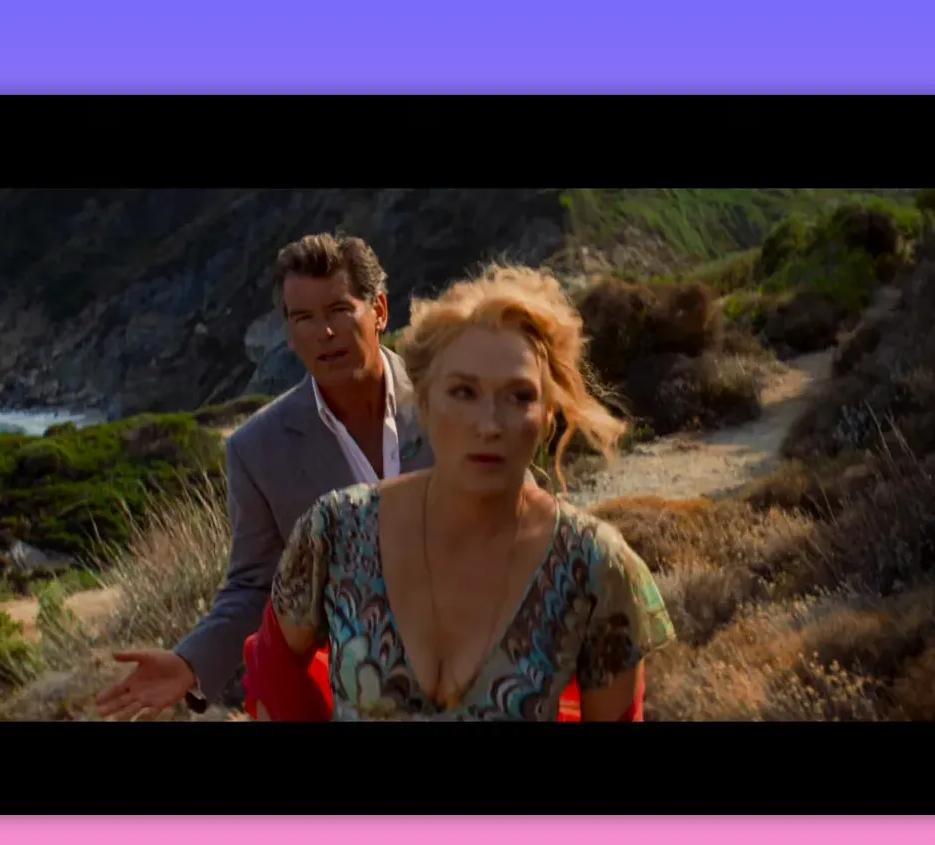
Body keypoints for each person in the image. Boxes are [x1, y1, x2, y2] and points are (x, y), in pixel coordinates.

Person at [242, 263, 677, 721]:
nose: (488, 425)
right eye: (464, 392)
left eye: (520, 397)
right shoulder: (335, 532)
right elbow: (272, 668)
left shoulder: (596, 566)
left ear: (549, 415)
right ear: (425, 403)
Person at [95, 232, 435, 720]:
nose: (325, 332)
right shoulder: (258, 449)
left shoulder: (450, 401)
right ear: (289, 333)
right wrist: (192, 660)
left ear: (378, 310)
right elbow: (257, 586)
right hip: (358, 697)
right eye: (304, 319)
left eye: (339, 310)